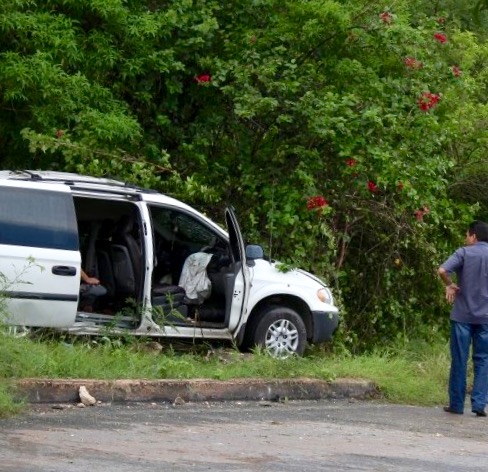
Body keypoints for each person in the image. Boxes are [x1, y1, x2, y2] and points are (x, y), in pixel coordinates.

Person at [438, 220, 488, 417]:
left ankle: (457, 404)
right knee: (483, 360)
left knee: (460, 358)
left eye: (467, 235)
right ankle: (479, 404)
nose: (466, 239)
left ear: (474, 236)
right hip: (486, 318)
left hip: (462, 316)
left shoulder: (464, 253)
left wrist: (450, 284)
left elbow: (442, 270)